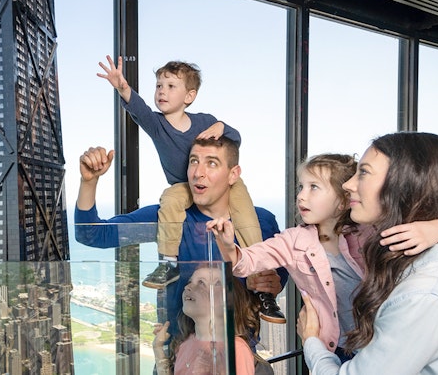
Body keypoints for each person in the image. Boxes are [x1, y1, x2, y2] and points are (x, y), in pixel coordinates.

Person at [207, 153, 438, 361]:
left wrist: (437, 227)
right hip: (335, 347)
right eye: (301, 187)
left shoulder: (368, 232)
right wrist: (228, 246)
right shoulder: (293, 240)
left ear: (343, 200)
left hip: (383, 341)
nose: (301, 196)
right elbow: (247, 262)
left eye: (314, 188)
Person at [298, 132, 438, 375]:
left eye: (364, 172)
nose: (348, 185)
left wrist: (312, 342)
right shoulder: (425, 253)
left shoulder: (425, 293)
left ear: (403, 185)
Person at [96, 56, 283, 321]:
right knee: (170, 199)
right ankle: (168, 264)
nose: (162, 90)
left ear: (190, 96)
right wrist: (122, 87)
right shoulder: (157, 125)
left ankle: (261, 281)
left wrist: (222, 127)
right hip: (185, 186)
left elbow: (234, 139)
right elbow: (138, 109)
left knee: (247, 217)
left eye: (171, 86)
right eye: (159, 85)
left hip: (225, 186)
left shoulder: (204, 121)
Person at [74, 136, 288, 339]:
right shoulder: (167, 218)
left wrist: (274, 284)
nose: (198, 173)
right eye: (194, 161)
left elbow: (280, 275)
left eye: (212, 163)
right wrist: (89, 182)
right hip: (177, 356)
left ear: (233, 174)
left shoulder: (263, 222)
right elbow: (92, 234)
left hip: (238, 355)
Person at [151, 265, 264, 375]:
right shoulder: (184, 345)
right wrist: (158, 349)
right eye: (190, 282)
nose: (187, 287)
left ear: (225, 301)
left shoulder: (235, 350)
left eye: (201, 283)